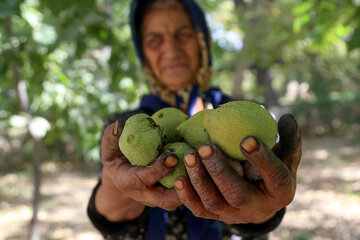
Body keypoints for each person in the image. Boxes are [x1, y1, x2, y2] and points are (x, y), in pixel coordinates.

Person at [87, 0, 302, 239]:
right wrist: (118, 185)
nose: (171, 49)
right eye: (154, 39)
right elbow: (110, 217)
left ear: (202, 41)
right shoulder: (123, 127)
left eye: (184, 34)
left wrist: (263, 210)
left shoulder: (234, 109)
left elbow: (256, 209)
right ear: (143, 53)